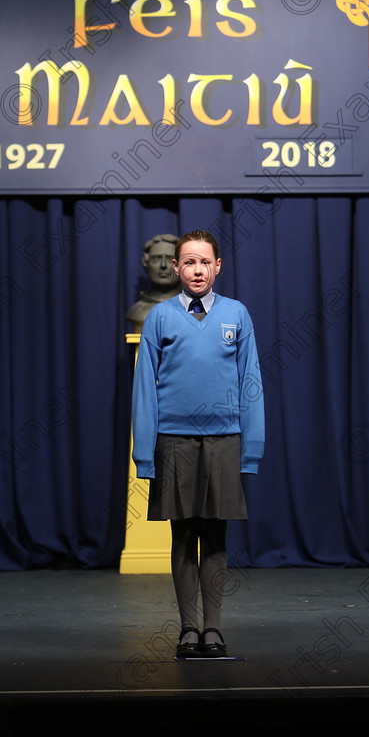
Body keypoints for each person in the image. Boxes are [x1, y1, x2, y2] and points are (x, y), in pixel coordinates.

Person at [131, 229, 265, 658]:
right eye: (188, 262)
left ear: (218, 267)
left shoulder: (237, 315)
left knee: (216, 536)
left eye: (204, 262)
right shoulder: (160, 318)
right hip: (174, 442)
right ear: (176, 267)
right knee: (184, 535)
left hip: (224, 440)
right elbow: (145, 390)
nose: (197, 269)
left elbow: (251, 382)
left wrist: (252, 446)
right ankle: (189, 628)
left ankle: (213, 629)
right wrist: (144, 453)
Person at [126, 234, 180, 331]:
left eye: (169, 260)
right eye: (156, 259)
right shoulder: (137, 311)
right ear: (145, 263)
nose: (163, 265)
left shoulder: (193, 309)